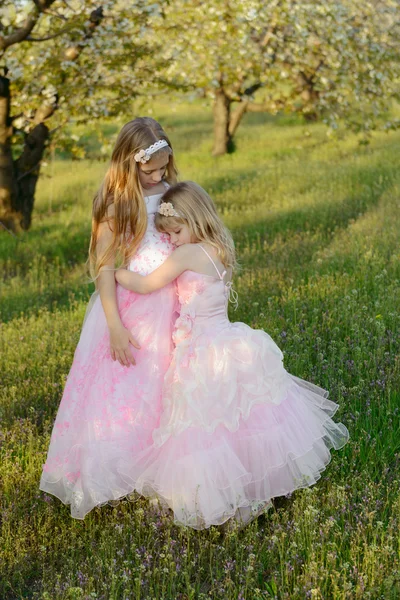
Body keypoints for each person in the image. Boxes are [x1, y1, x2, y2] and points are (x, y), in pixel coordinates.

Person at [115, 181, 349, 530]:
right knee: (242, 419)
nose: (174, 240)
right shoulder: (218, 248)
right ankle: (256, 487)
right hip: (229, 340)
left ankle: (229, 502)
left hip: (202, 351)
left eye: (176, 231)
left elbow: (148, 284)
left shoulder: (186, 254)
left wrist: (115, 273)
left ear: (194, 218)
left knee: (206, 426)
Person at [40, 118, 179, 519]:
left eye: (163, 168)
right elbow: (104, 267)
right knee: (128, 391)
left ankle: (167, 474)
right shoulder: (116, 203)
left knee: (172, 386)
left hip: (174, 300)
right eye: (148, 170)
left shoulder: (173, 193)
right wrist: (115, 325)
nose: (156, 176)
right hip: (133, 309)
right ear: (127, 163)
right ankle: (123, 472)